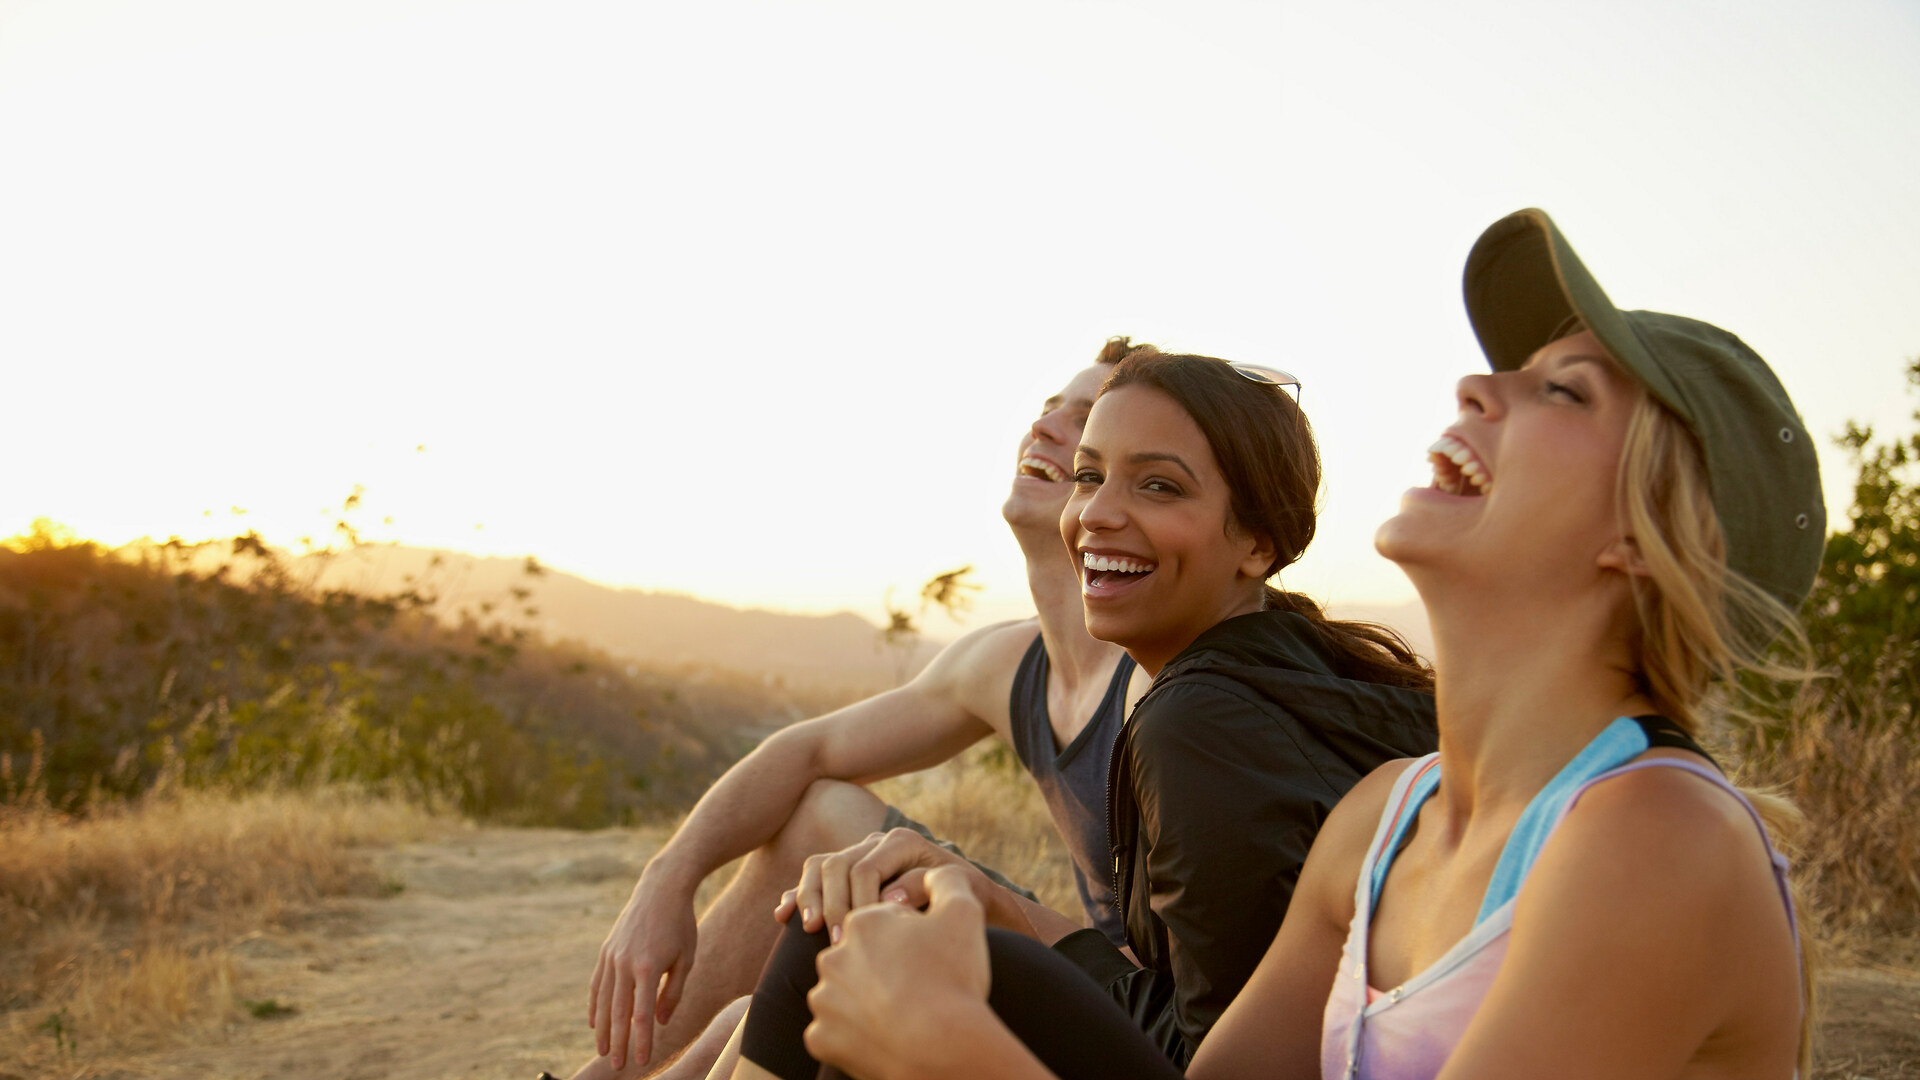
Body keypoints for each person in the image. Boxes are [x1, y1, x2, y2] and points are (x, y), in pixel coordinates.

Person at [755, 207, 1822, 1080]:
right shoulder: (1387, 817)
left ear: (1643, 538)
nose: (1475, 388)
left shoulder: (1659, 840)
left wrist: (957, 1055)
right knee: (843, 936)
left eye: (1561, 390)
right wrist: (977, 914)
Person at [732, 348, 1441, 1079]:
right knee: (871, 933)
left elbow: (1213, 1059)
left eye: (1159, 486)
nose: (1097, 514)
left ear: (1257, 543)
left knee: (837, 942)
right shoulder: (1293, 663)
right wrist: (991, 902)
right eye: (1090, 477)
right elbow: (1192, 1000)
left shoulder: (1201, 725)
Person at [557, 336, 1164, 1080]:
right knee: (823, 812)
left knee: (773, 995)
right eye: (1047, 408)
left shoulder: (1162, 682)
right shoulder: (1008, 662)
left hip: (1128, 1017)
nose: (1043, 428)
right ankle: (612, 1072)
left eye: (1084, 417)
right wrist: (667, 880)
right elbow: (804, 752)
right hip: (1078, 966)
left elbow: (1175, 993)